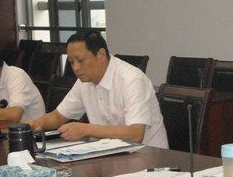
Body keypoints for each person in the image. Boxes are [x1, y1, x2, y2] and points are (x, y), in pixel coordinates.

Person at [28, 30, 169, 149]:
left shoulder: (132, 80)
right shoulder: (84, 81)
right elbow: (59, 116)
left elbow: (135, 134)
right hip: (110, 154)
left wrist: (86, 129)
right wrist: (39, 123)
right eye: (71, 62)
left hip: (148, 158)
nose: (76, 68)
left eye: (80, 60)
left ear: (101, 54)